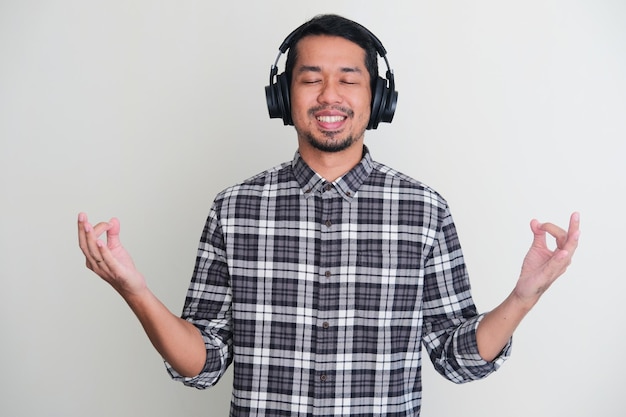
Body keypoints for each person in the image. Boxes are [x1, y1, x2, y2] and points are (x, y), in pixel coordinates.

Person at [77, 14, 580, 417]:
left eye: (348, 80)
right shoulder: (234, 209)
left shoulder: (423, 210)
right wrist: (135, 291)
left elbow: (457, 358)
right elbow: (202, 363)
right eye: (311, 79)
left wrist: (523, 297)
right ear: (284, 97)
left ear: (377, 98)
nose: (329, 96)